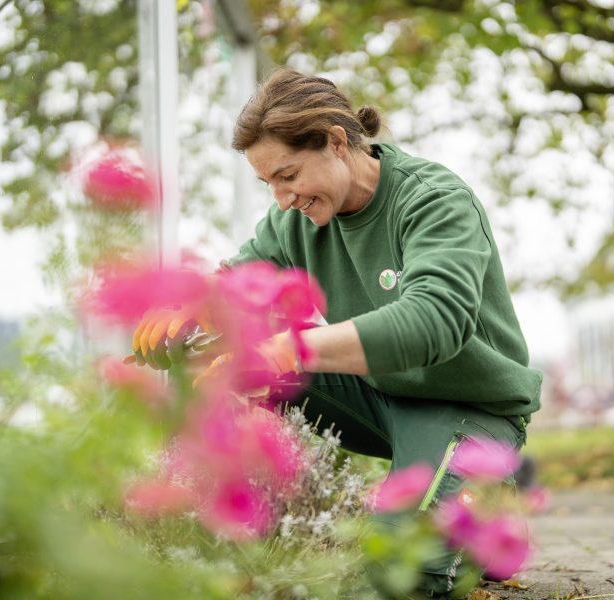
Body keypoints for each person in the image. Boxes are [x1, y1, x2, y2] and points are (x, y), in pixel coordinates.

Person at [133, 68, 542, 598]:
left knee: (401, 572)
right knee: (229, 370)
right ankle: (255, 539)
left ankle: (486, 517)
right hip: (380, 393)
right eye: (268, 184)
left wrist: (290, 347)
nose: (282, 198)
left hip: (470, 405)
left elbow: (435, 321)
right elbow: (239, 284)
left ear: (335, 140)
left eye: (289, 175)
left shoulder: (433, 201)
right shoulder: (293, 222)